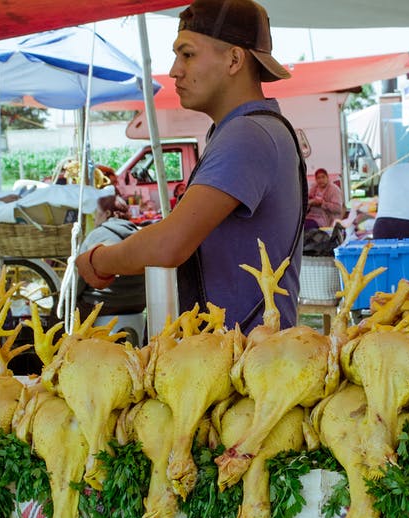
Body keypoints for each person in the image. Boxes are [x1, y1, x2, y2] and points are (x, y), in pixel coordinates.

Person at [74, 0, 304, 332]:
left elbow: (168, 245)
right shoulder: (250, 130)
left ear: (234, 59)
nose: (174, 70)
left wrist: (98, 259)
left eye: (188, 54)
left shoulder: (247, 134)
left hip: (245, 363)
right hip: (239, 357)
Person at [76, 196, 146, 314]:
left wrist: (65, 301)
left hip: (101, 303)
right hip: (139, 304)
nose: (94, 219)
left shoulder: (97, 234)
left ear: (107, 213)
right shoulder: (139, 234)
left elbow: (80, 275)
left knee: (59, 320)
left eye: (97, 213)